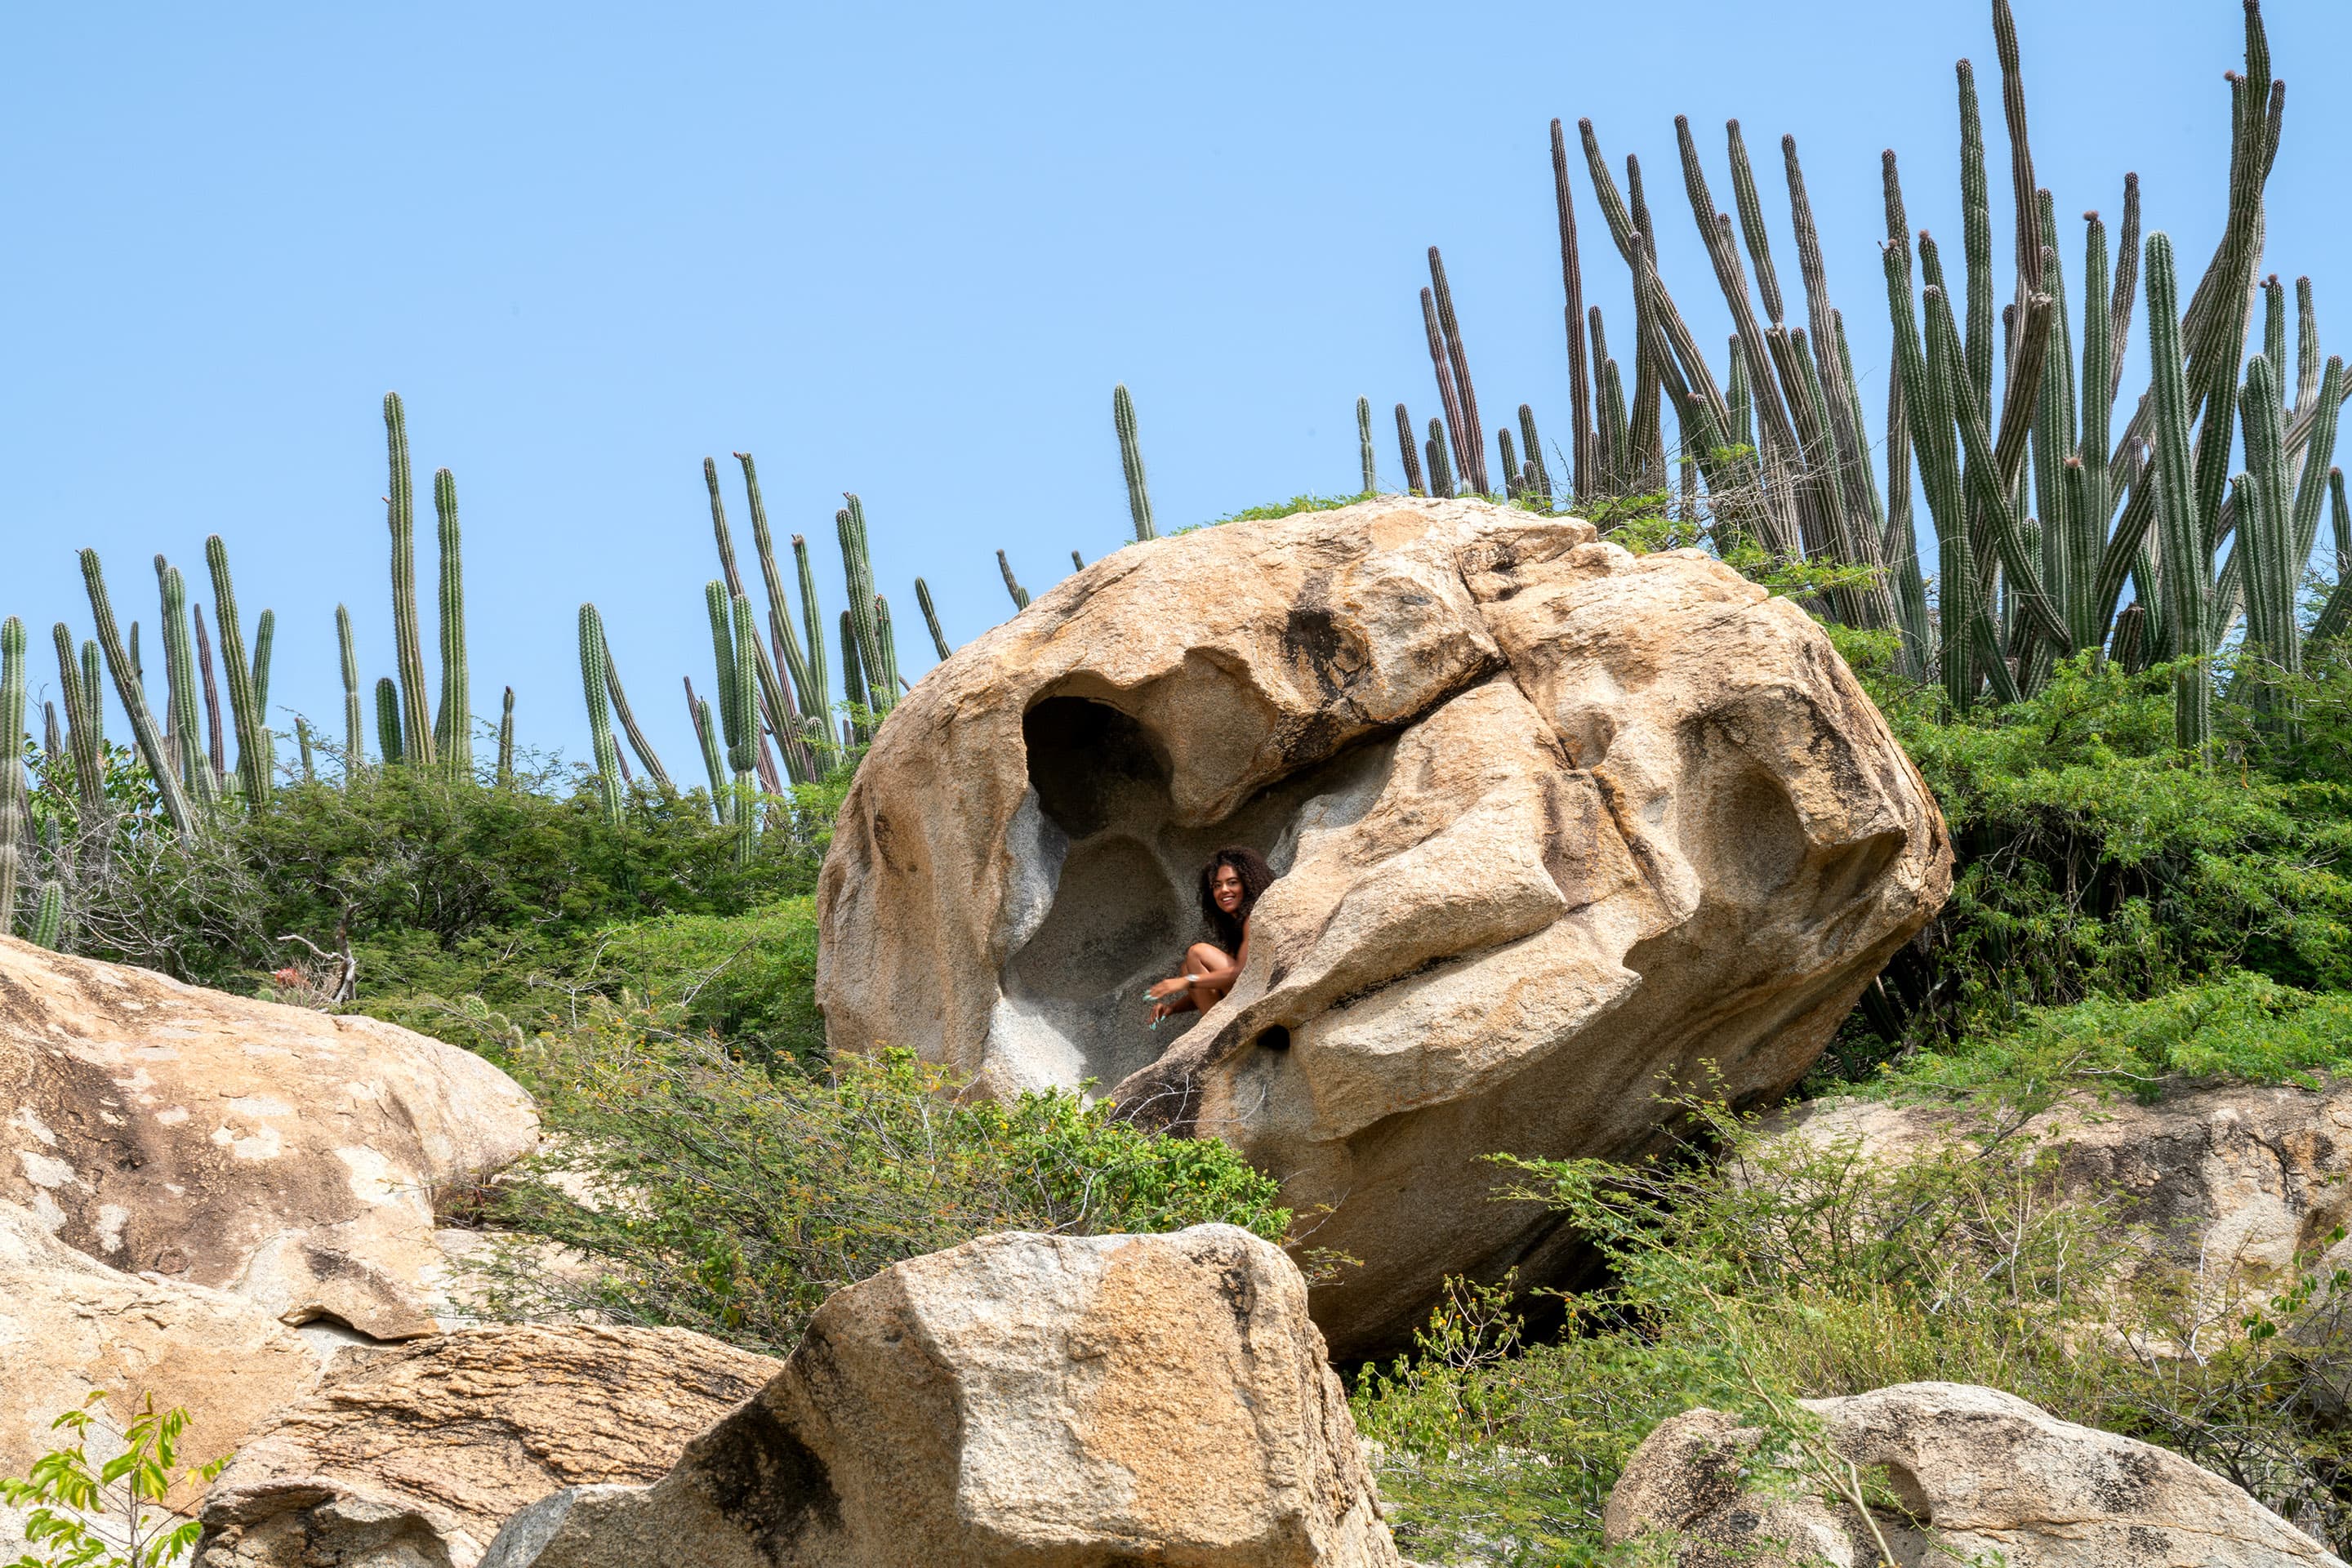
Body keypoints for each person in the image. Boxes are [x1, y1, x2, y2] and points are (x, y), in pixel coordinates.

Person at [1147, 846, 1275, 1024]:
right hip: (1242, 999)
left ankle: (1217, 1028)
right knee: (1188, 967)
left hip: (1263, 1000)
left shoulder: (1252, 918)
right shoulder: (1235, 928)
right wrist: (1173, 1008)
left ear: (1247, 883)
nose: (1223, 890)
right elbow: (1211, 986)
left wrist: (1185, 982)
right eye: (1217, 885)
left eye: (1232, 882)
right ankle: (1217, 1028)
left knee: (1198, 953)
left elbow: (1239, 974)